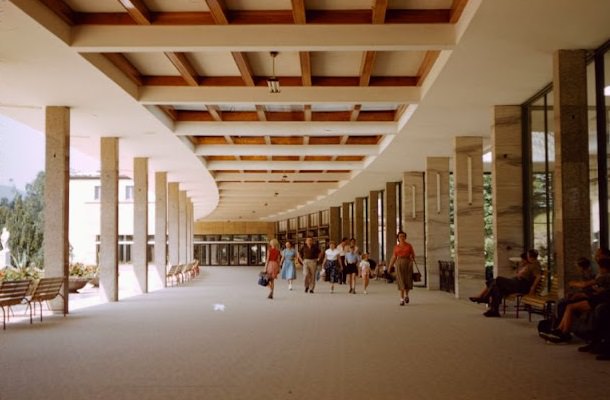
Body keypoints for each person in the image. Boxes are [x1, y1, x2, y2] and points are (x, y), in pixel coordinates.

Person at [540, 257, 610, 343]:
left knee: (570, 306)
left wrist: (573, 283)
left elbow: (586, 285)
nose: (599, 270)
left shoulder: (604, 276)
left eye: (600, 268)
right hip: (596, 297)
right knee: (567, 305)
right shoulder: (601, 276)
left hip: (598, 299)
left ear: (604, 268)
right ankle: (559, 330)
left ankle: (563, 332)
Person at [470, 249, 542, 317]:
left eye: (528, 255)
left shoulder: (535, 265)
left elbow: (538, 276)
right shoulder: (529, 264)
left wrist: (533, 287)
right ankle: (494, 311)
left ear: (530, 256)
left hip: (521, 285)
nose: (526, 257)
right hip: (516, 283)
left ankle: (484, 298)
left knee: (498, 279)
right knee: (496, 287)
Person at [387, 231, 415, 306]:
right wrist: (390, 267)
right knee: (401, 280)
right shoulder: (396, 247)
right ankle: (401, 299)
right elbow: (394, 257)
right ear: (398, 238)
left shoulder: (409, 246)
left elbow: (413, 255)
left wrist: (412, 258)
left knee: (408, 280)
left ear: (405, 237)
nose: (401, 238)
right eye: (400, 236)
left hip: (408, 263)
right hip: (399, 263)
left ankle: (407, 295)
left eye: (403, 236)